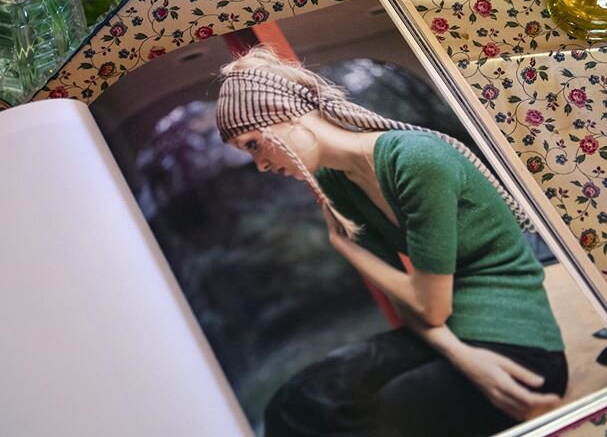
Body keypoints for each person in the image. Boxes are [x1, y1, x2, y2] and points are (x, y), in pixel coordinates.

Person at [215, 46, 568, 437]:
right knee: (295, 403)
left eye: (252, 144)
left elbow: (430, 306)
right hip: (453, 337)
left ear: (284, 115)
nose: (260, 165)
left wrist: (345, 247)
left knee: (375, 417)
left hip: (517, 347)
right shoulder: (337, 183)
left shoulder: (415, 160)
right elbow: (415, 303)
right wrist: (463, 358)